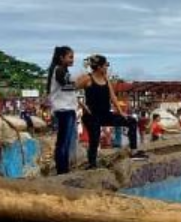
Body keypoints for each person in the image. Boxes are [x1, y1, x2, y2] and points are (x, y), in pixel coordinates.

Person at [76, 54, 145, 169]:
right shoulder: (87, 78)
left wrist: (120, 112)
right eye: (106, 65)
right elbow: (69, 89)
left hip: (105, 114)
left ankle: (133, 152)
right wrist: (81, 104)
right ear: (99, 67)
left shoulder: (105, 78)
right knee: (95, 138)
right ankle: (92, 164)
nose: (107, 67)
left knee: (131, 121)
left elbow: (112, 96)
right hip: (91, 116)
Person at [46, 46, 79, 174]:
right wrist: (79, 83)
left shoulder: (61, 70)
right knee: (63, 142)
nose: (72, 60)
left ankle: (63, 168)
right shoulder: (59, 70)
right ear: (61, 57)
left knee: (65, 141)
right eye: (70, 57)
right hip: (64, 110)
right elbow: (67, 86)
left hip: (66, 109)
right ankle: (62, 169)